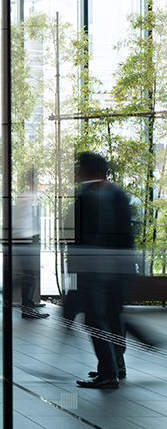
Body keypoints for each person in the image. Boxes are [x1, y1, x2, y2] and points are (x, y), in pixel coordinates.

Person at [66, 152, 136, 389]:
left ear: (89, 171)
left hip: (95, 271)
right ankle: (116, 366)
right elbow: (126, 235)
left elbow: (79, 237)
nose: (77, 171)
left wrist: (76, 269)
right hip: (118, 270)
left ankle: (108, 373)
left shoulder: (89, 196)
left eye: (79, 167)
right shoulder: (117, 194)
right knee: (113, 317)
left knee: (96, 320)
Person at [12, 168, 49, 319]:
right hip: (23, 240)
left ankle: (27, 307)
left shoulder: (31, 196)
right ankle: (26, 308)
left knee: (29, 274)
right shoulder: (26, 197)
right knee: (30, 274)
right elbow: (17, 220)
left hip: (27, 240)